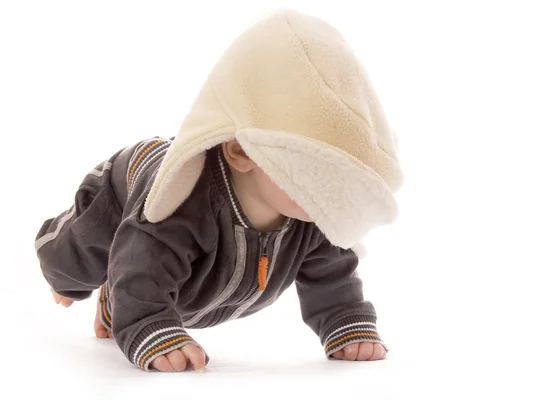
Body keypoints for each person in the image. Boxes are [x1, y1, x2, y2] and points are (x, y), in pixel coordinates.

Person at [34, 8, 404, 372]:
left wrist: (347, 322)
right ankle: (70, 269)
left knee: (138, 284)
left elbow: (333, 276)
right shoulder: (179, 207)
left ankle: (118, 303)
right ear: (243, 151)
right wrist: (151, 328)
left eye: (345, 174)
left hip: (182, 287)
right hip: (126, 183)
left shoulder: (314, 213)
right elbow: (140, 267)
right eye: (314, 170)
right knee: (76, 263)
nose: (333, 191)